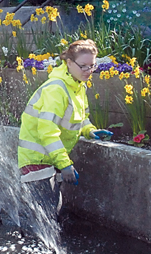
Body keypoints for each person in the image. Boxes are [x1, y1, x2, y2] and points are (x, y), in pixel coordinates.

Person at [17, 39, 112, 216]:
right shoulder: (56, 89)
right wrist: (65, 164)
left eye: (92, 66)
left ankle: (35, 241)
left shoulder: (77, 86)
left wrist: (89, 130)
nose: (88, 71)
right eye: (83, 66)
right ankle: (30, 242)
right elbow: (47, 131)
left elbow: (81, 118)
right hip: (36, 158)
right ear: (69, 62)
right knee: (45, 213)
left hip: (51, 156)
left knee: (50, 211)